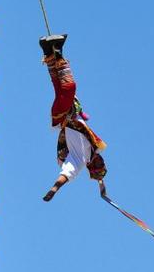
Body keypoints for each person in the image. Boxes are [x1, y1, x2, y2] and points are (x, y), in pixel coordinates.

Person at [39, 34, 108, 202]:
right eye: (102, 162)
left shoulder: (78, 162)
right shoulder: (94, 147)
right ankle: (49, 51)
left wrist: (54, 189)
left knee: (69, 88)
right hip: (70, 112)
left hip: (63, 117)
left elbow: (65, 174)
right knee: (61, 88)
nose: (100, 160)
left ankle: (58, 52)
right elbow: (100, 177)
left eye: (98, 164)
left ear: (92, 166)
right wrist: (102, 187)